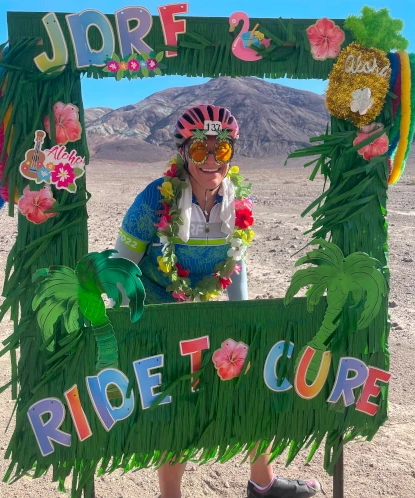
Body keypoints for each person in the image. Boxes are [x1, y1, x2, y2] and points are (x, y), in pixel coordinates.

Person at [113, 104, 322, 498]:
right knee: (176, 403)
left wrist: (240, 319)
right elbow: (121, 266)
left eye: (221, 150)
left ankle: (263, 483)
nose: (211, 160)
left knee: (251, 381)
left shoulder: (238, 201)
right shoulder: (154, 199)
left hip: (208, 307)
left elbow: (235, 264)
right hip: (158, 310)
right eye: (199, 151)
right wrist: (135, 325)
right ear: (183, 152)